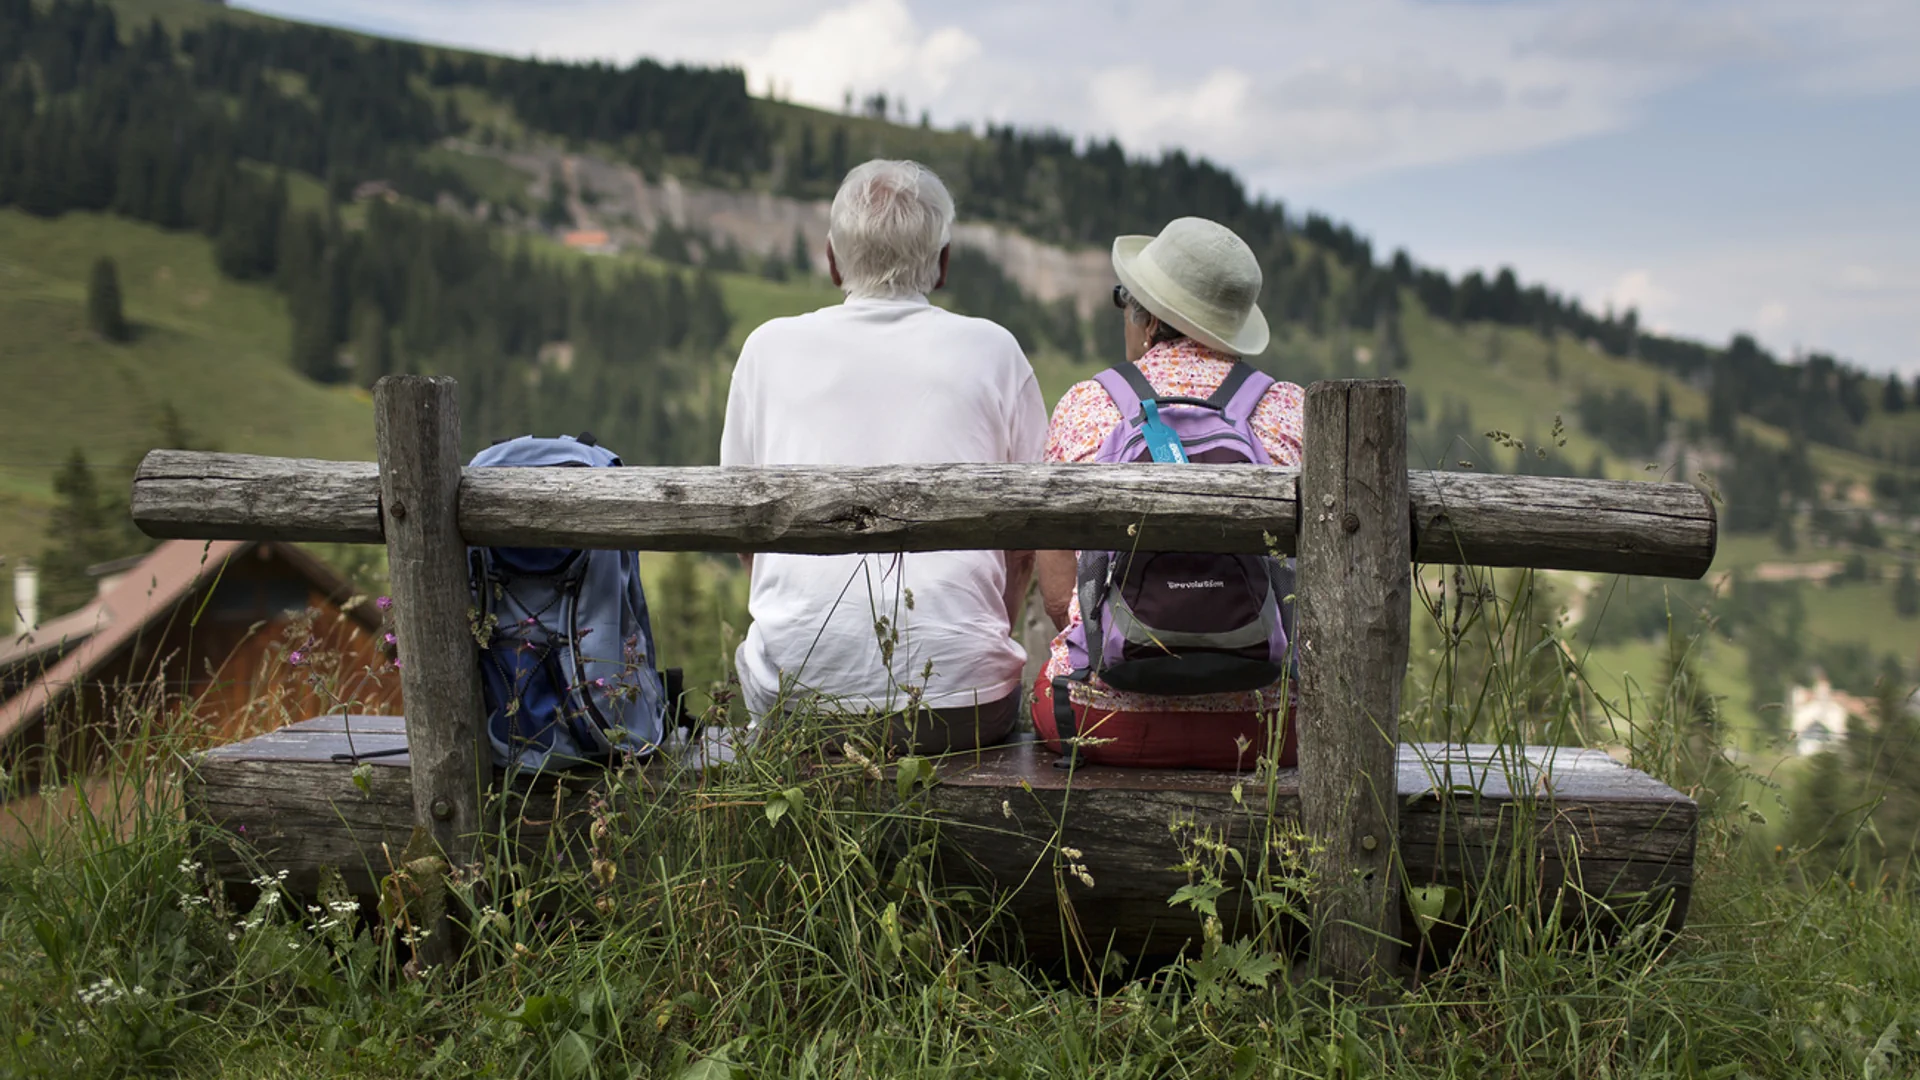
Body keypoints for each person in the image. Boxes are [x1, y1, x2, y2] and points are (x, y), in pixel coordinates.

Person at [720, 160, 1048, 754]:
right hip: (961, 704)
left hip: (798, 698)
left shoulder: (766, 349)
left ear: (832, 259)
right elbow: (1029, 541)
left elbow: (747, 532)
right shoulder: (995, 351)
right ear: (943, 264)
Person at [1033, 217, 1304, 769]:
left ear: (1148, 316)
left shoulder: (1087, 405)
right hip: (1271, 724)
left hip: (1103, 717)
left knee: (1049, 681)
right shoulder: (1291, 410)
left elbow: (1061, 597)